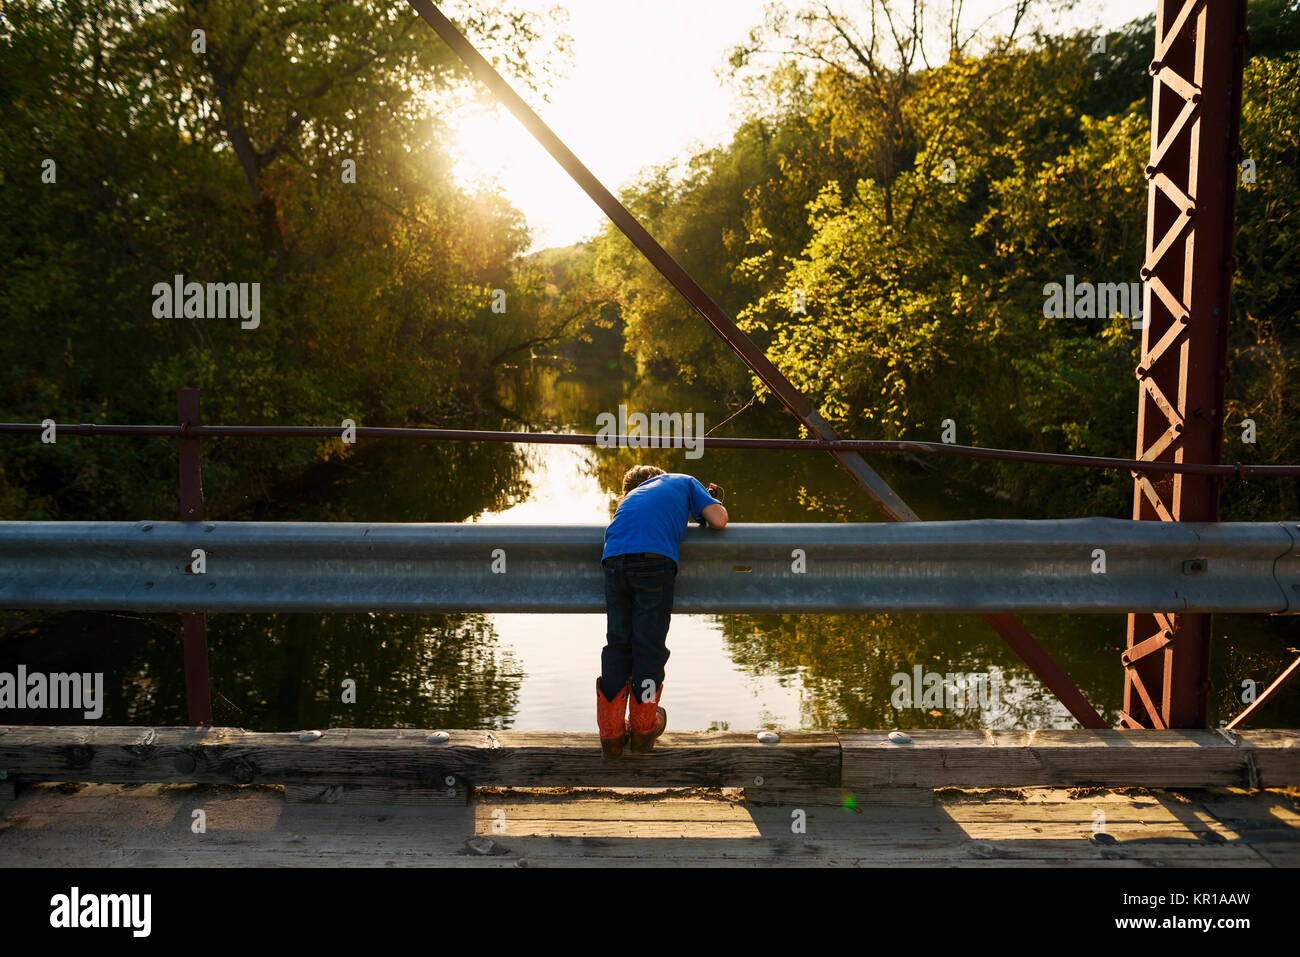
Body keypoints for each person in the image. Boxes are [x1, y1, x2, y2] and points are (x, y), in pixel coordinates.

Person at [595, 465, 728, 757]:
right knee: (648, 647)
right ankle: (643, 730)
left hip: (613, 560)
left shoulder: (630, 498)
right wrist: (709, 503)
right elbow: (718, 521)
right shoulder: (685, 480)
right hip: (653, 562)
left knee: (618, 645)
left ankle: (611, 738)